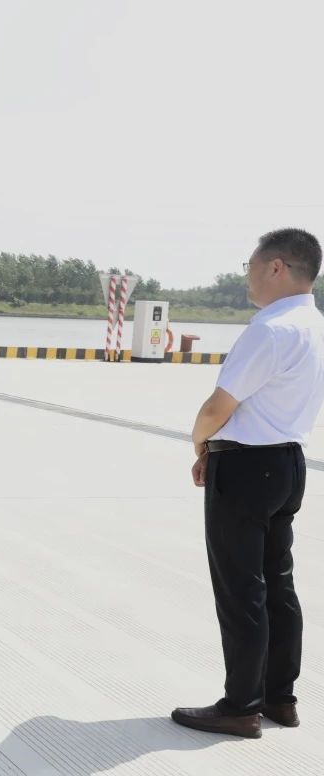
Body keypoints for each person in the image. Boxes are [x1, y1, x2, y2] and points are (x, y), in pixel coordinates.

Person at [172, 229, 324, 739]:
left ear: (276, 267)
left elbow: (218, 407)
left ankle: (240, 706)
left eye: (250, 266)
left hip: (246, 469)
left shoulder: (270, 329)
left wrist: (201, 445)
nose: (247, 277)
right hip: (289, 464)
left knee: (241, 590)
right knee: (277, 583)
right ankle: (280, 697)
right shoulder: (315, 325)